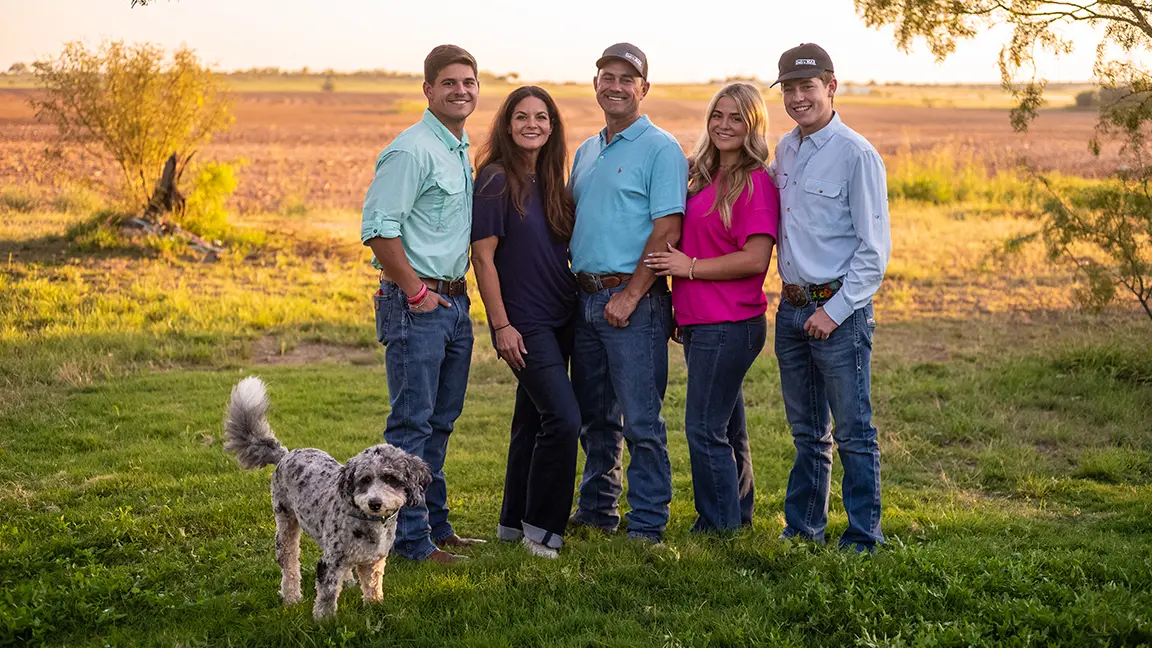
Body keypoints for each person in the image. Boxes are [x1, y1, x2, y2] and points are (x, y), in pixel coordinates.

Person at [360, 44, 486, 565]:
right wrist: (415, 292)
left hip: (454, 303)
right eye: (450, 82)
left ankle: (434, 526)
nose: (461, 90)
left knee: (439, 424)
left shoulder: (457, 148)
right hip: (418, 304)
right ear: (428, 89)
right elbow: (378, 231)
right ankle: (409, 541)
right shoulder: (411, 149)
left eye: (469, 82)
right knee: (411, 427)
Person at [769, 43, 891, 551]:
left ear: (831, 86)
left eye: (807, 87)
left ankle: (864, 535)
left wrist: (834, 312)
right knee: (806, 433)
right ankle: (804, 528)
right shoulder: (785, 150)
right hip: (791, 307)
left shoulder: (857, 154)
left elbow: (873, 250)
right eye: (790, 89)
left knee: (853, 433)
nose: (798, 98)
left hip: (838, 310)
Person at [567, 43, 688, 543]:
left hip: (632, 302)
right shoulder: (587, 150)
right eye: (606, 76)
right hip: (585, 299)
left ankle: (648, 521)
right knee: (595, 417)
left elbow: (668, 227)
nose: (614, 86)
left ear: (644, 89)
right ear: (596, 83)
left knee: (640, 418)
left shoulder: (660, 148)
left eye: (625, 78)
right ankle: (597, 509)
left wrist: (632, 295)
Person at [644, 82, 778, 533]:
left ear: (753, 125)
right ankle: (735, 516)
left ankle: (718, 526)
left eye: (736, 118)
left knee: (703, 428)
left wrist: (690, 267)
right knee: (727, 427)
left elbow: (755, 258)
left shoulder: (755, 182)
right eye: (718, 115)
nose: (724, 125)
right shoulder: (703, 175)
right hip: (705, 323)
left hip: (731, 323)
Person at [470, 86, 580, 559]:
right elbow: (483, 256)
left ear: (552, 126)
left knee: (531, 421)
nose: (531, 124)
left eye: (541, 116)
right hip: (525, 322)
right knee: (564, 419)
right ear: (507, 125)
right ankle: (543, 533)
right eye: (521, 117)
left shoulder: (551, 180)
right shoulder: (496, 180)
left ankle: (512, 524)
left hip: (563, 315)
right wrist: (501, 326)